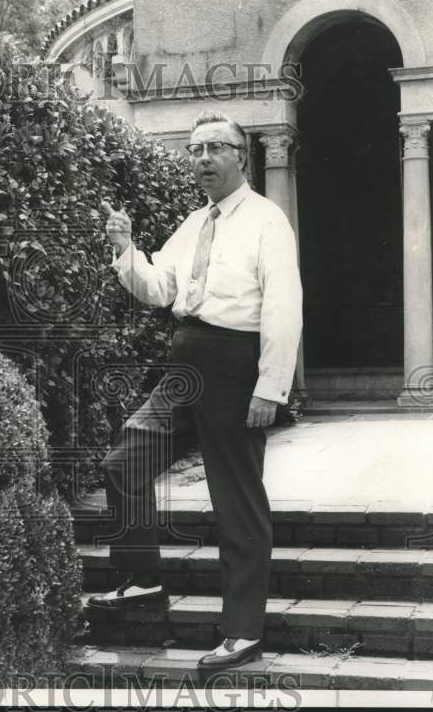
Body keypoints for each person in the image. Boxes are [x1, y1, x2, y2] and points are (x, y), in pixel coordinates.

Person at [89, 110, 303, 671]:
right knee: (123, 462)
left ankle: (243, 632)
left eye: (215, 147)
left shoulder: (267, 221)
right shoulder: (193, 223)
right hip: (184, 363)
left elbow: (284, 307)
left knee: (236, 503)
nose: (202, 158)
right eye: (194, 149)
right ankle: (141, 579)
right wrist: (126, 248)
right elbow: (160, 290)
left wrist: (270, 388)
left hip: (236, 365)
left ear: (241, 156)